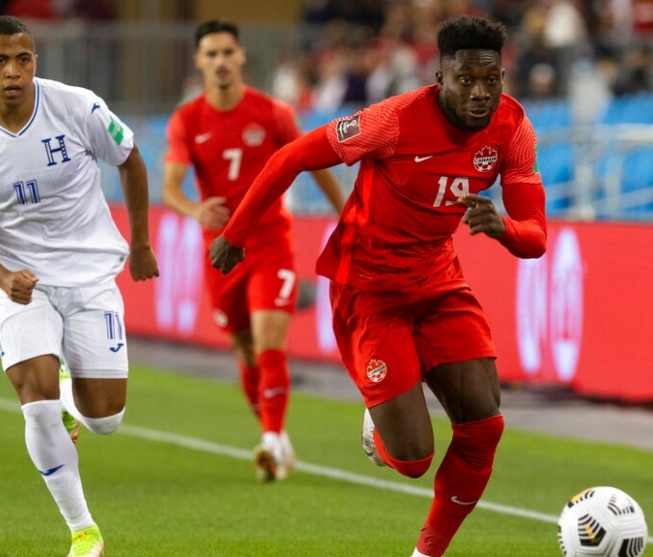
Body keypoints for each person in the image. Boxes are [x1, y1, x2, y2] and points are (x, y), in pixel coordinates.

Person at [211, 16, 547, 557]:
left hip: (438, 284)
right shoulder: (392, 121)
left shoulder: (514, 128)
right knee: (412, 459)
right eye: (466, 80)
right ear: (440, 76)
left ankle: (426, 554)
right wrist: (236, 233)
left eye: (492, 79)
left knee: (484, 429)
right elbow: (292, 156)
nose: (481, 93)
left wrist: (502, 227)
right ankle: (379, 417)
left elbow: (536, 239)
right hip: (368, 292)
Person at [0, 16, 159, 557]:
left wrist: (139, 244)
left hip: (91, 277)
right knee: (34, 400)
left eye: (24, 59)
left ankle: (71, 395)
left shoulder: (77, 106)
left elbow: (131, 160)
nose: (14, 72)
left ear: (35, 61)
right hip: (22, 281)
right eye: (0, 61)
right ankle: (83, 530)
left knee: (106, 419)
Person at [162, 19, 346, 483]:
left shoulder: (273, 113)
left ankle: (269, 441)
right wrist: (194, 209)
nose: (221, 61)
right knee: (244, 350)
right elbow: (170, 188)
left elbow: (313, 159)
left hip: (269, 243)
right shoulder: (187, 120)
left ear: (241, 57)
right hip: (220, 251)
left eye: (228, 52)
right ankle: (275, 436)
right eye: (211, 54)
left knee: (268, 343)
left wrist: (348, 211)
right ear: (199, 61)